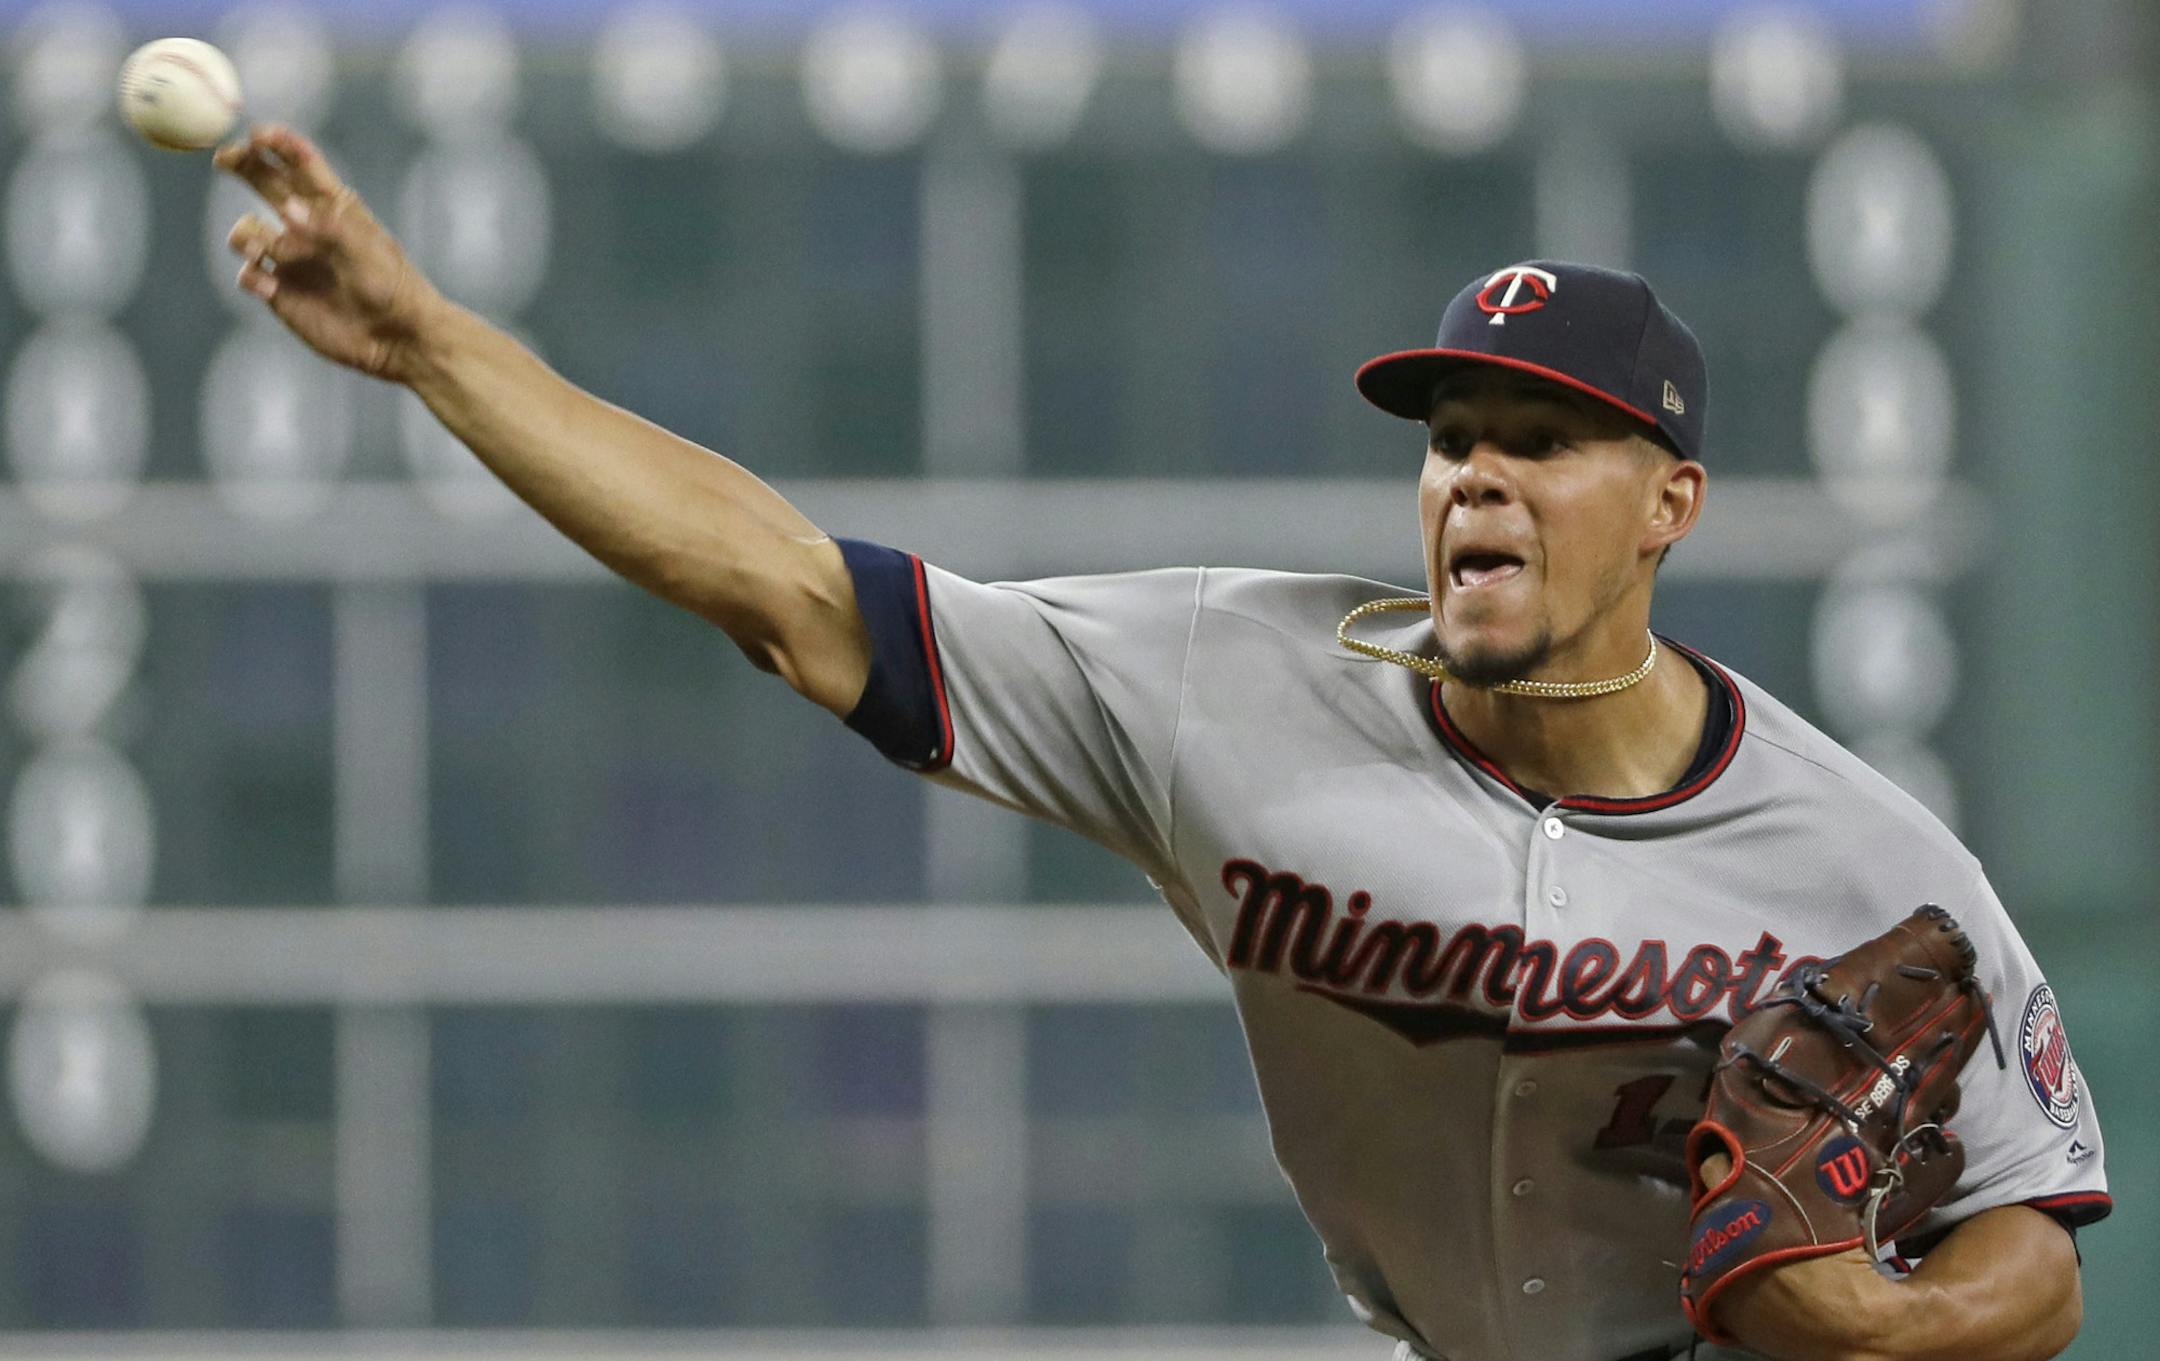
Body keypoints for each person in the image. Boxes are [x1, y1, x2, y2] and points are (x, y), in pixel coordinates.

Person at [215, 125, 2107, 1361]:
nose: (1474, 478)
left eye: (1540, 440)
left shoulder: (1867, 860)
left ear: (1671, 501)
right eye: (1450, 436)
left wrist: (1881, 1328)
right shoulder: (1228, 681)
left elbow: (2040, 1250)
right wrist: (433, 348)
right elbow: (787, 591)